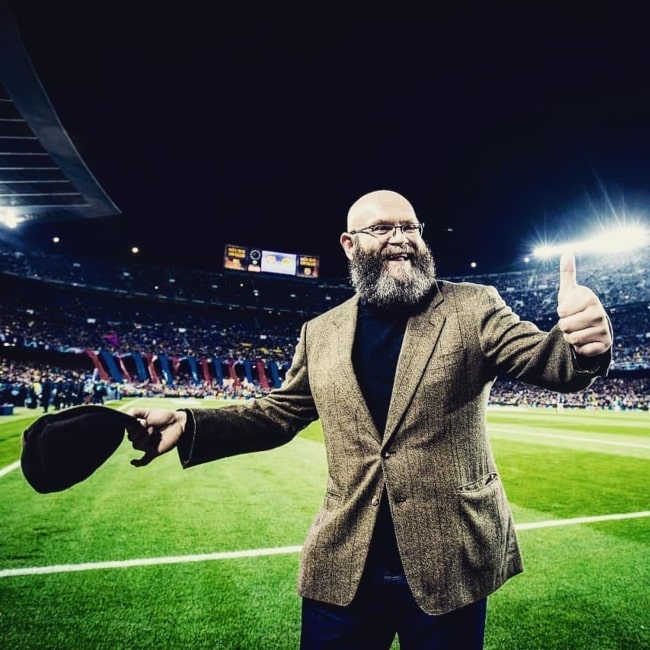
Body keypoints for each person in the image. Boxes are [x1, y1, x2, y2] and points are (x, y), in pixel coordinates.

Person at [128, 189, 612, 649]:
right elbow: (278, 413)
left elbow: (552, 363)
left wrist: (586, 343)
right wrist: (191, 424)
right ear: (349, 243)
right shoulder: (320, 332)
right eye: (382, 228)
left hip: (449, 559)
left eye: (410, 227)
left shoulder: (473, 306)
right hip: (344, 563)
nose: (401, 237)